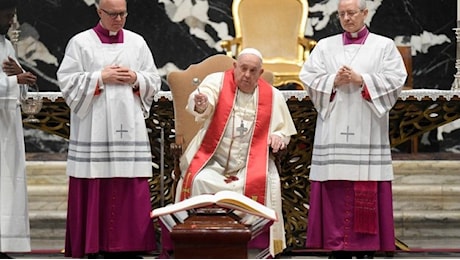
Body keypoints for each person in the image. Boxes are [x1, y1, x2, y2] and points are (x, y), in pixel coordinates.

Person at [299, 0, 407, 258]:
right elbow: (308, 76)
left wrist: (362, 80)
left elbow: (395, 80)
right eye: (342, 14)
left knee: (365, 184)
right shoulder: (325, 46)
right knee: (335, 188)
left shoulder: (383, 46)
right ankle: (337, 245)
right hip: (334, 127)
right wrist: (332, 81)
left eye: (352, 13)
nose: (347, 18)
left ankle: (366, 246)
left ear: (365, 14)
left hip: (367, 127)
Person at [168, 48, 297, 258]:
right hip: (212, 160)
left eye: (252, 71)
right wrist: (201, 104)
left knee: (265, 181)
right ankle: (197, 242)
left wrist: (279, 138)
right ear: (234, 67)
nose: (246, 74)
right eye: (243, 68)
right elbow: (204, 100)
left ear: (260, 73)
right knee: (199, 180)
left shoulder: (272, 96)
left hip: (250, 164)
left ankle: (255, 248)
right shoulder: (217, 81)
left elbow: (282, 130)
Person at [56, 0, 161, 258]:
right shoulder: (80, 43)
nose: (118, 19)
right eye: (112, 14)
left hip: (129, 125)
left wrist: (137, 78)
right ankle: (94, 244)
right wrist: (100, 77)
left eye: (122, 14)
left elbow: (154, 79)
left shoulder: (137, 43)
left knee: (130, 182)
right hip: (95, 126)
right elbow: (67, 82)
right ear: (99, 12)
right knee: (96, 179)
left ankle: (131, 245)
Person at [0, 0, 37, 258]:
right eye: (8, 16)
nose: (12, 22)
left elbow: (13, 86)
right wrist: (16, 80)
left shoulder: (5, 45)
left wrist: (20, 77)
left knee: (8, 187)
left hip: (7, 127)